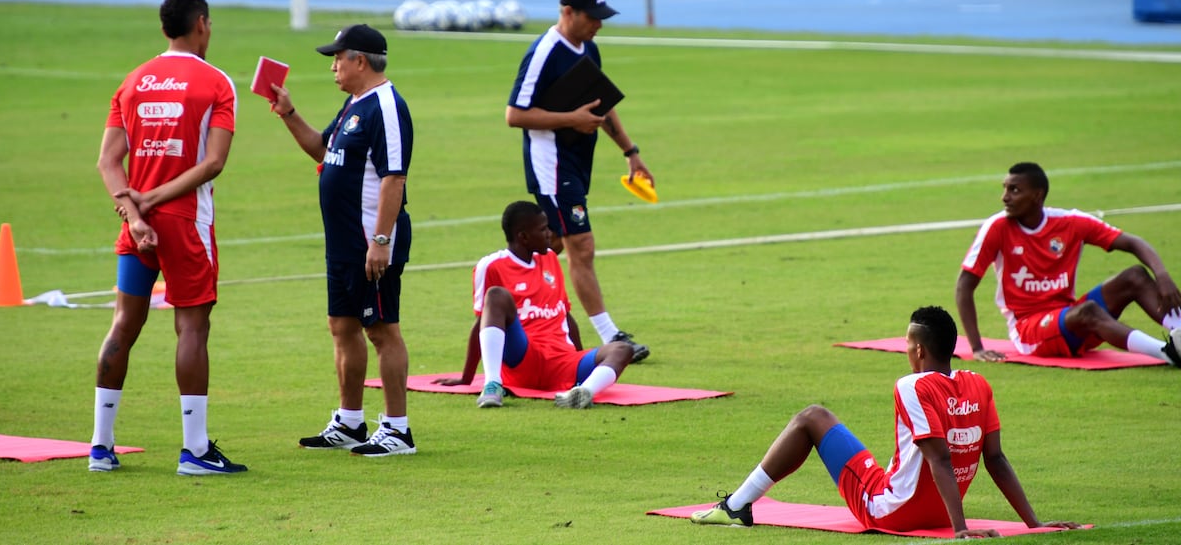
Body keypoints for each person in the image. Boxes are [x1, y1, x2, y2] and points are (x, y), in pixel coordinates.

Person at [691, 306, 1080, 537]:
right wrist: (1033, 524)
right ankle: (736, 505)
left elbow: (940, 458)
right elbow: (995, 459)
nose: (907, 350)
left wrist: (960, 530)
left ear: (920, 350)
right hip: (941, 511)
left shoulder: (911, 385)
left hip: (893, 510)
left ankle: (737, 506)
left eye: (909, 344)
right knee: (883, 453)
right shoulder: (978, 383)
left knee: (812, 417)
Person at [90, 0, 247, 475]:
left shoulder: (133, 81)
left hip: (136, 225)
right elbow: (214, 162)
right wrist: (157, 201)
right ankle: (195, 450)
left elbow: (107, 162)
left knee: (123, 324)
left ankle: (100, 446)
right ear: (201, 23)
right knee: (192, 327)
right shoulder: (216, 82)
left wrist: (135, 215)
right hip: (185, 223)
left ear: (164, 30)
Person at [271, 24, 417, 457]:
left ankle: (397, 430)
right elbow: (322, 149)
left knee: (382, 329)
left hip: (371, 240)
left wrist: (381, 239)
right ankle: (351, 422)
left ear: (361, 60)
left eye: (338, 58)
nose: (333, 66)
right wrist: (287, 112)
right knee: (343, 327)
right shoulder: (354, 104)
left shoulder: (387, 107)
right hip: (343, 242)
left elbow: (394, 177)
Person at [506, 0, 652, 363]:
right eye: (592, 17)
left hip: (576, 164)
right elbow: (514, 114)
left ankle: (509, 307)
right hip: (551, 164)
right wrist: (571, 119)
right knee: (581, 245)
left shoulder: (589, 49)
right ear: (567, 12)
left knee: (550, 245)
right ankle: (611, 336)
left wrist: (630, 151)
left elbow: (602, 103)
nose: (598, 24)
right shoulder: (544, 53)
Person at [956, 161, 1181, 366]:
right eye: (1005, 188)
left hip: (1068, 318)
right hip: (1029, 331)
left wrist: (1162, 276)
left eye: (1014, 190)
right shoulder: (997, 227)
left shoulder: (1069, 222)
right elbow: (964, 285)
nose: (1005, 197)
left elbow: (1133, 242)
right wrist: (976, 348)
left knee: (1135, 276)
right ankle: (1167, 353)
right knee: (1089, 311)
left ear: (1037, 195)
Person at [432, 200, 634, 409]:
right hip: (523, 359)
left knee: (622, 349)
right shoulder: (492, 266)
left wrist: (580, 355)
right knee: (497, 296)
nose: (550, 234)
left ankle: (582, 392)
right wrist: (467, 377)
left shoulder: (551, 260)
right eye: (543, 229)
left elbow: (564, 314)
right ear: (523, 237)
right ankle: (493, 385)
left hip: (562, 363)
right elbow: (481, 323)